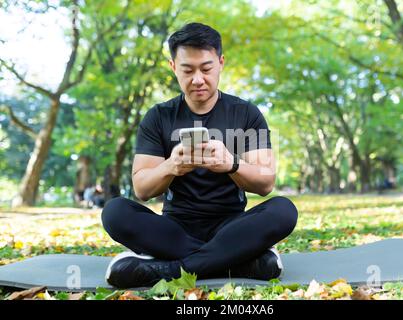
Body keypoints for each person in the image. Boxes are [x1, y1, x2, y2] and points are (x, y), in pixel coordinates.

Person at [101, 22, 298, 289]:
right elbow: (142, 189)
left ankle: (170, 270)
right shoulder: (158, 116)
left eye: (206, 69)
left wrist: (231, 164)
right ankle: (236, 262)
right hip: (175, 231)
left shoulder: (246, 113)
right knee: (114, 212)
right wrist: (171, 166)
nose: (197, 79)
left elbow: (265, 183)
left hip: (232, 228)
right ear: (173, 67)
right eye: (187, 70)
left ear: (220, 63)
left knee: (283, 210)